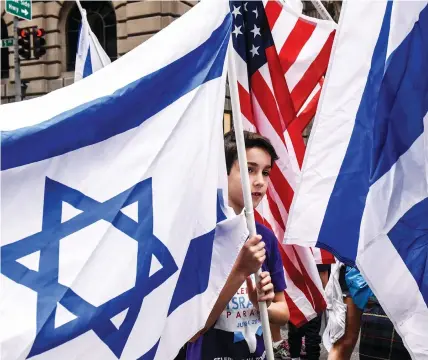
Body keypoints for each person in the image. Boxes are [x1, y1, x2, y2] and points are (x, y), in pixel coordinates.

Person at [186, 130, 289, 360]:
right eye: (249, 169)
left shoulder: (264, 237)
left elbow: (283, 313)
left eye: (266, 172)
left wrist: (263, 304)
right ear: (224, 173)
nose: (260, 181)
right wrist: (240, 271)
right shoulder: (201, 236)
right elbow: (193, 330)